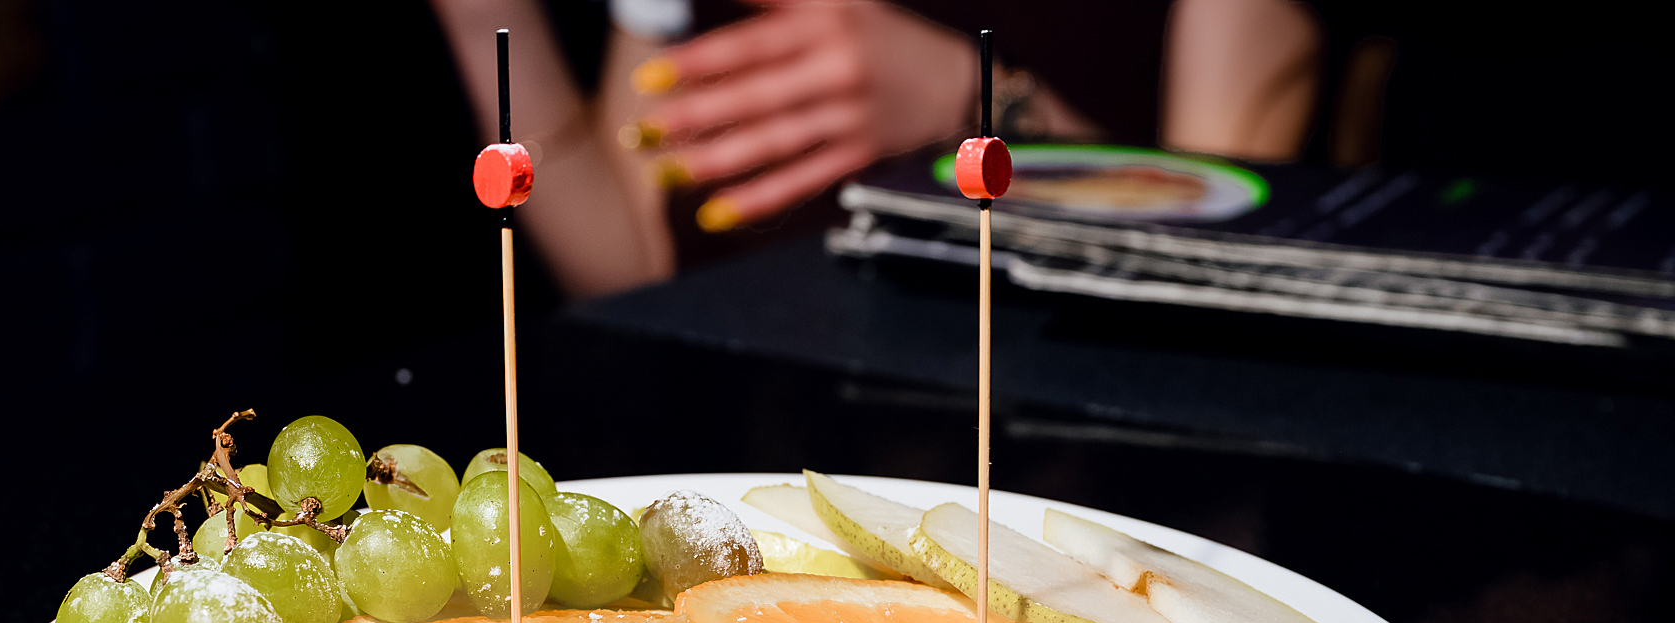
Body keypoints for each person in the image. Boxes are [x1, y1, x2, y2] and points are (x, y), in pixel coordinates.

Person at [429, 0, 1321, 296]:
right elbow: (631, 265)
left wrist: (979, 104)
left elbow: (1230, 271)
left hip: (1076, 493)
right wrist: (486, 21)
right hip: (757, 461)